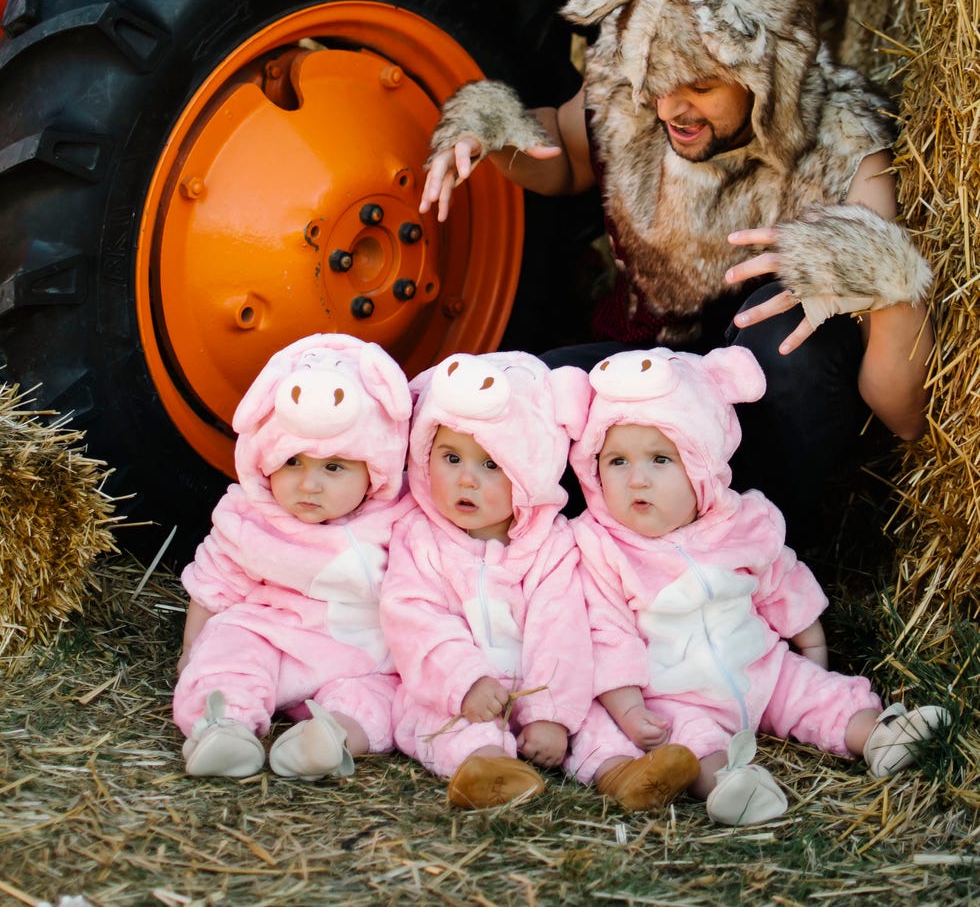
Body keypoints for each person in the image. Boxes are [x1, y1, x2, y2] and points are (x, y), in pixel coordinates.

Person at [419, 0, 934, 552]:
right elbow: (567, 158)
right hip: (648, 355)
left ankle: (754, 563)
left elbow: (907, 418)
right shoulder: (637, 84)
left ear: (769, 68)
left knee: (785, 334)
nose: (671, 110)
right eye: (662, 83)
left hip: (758, 399)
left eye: (701, 87)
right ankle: (559, 569)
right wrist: (495, 129)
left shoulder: (842, 145)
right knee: (517, 396)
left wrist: (892, 288)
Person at [566, 345, 951, 826]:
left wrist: (811, 645)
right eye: (617, 461)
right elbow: (606, 632)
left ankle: (878, 734)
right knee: (689, 742)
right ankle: (728, 785)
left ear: (703, 464)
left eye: (660, 460)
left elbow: (779, 579)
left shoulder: (741, 522)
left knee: (817, 693)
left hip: (761, 668)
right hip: (677, 695)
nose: (637, 480)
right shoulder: (599, 547)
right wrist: (629, 710)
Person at [379, 350, 620, 810]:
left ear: (529, 471)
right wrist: (465, 680)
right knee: (444, 726)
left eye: (491, 465)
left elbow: (561, 630)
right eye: (451, 458)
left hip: (535, 685)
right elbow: (412, 617)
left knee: (592, 720)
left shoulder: (550, 545)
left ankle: (620, 770)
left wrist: (550, 715)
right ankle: (489, 766)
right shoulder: (418, 538)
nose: (465, 480)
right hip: (451, 692)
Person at [173, 333, 412, 781]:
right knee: (229, 648)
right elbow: (212, 585)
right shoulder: (250, 517)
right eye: (292, 463)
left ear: (375, 469)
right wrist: (191, 650)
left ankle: (330, 739)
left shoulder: (398, 517)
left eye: (334, 467)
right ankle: (223, 726)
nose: (309, 485)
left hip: (362, 654)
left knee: (389, 696)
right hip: (273, 638)